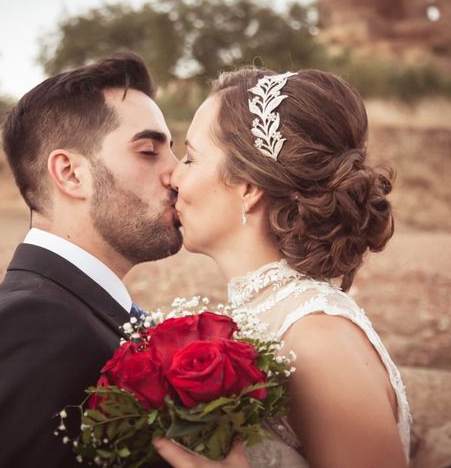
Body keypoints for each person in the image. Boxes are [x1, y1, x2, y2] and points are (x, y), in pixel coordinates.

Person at [157, 68, 410, 467]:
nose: (172, 175)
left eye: (190, 157)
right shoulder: (270, 321)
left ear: (248, 186)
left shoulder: (315, 340)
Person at [0, 53, 182, 468]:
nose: (176, 173)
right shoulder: (29, 323)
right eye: (149, 151)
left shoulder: (76, 308)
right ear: (71, 174)